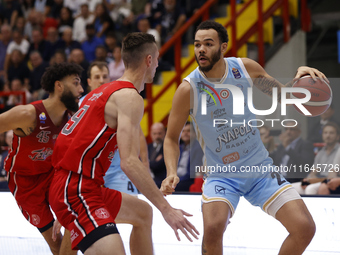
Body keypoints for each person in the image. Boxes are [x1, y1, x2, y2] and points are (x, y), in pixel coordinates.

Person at [160, 20, 329, 255]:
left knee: (305, 227)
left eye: (208, 44)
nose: (201, 50)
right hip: (222, 175)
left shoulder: (244, 68)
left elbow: (284, 96)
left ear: (223, 47)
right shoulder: (188, 89)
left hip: (260, 169)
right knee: (213, 229)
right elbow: (170, 138)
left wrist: (299, 76)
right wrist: (170, 172)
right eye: (198, 44)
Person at [49, 32, 199, 254]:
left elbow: (69, 142)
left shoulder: (101, 92)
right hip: (77, 188)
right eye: (156, 59)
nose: (157, 64)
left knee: (143, 213)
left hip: (79, 185)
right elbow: (129, 161)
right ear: (149, 60)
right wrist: (167, 209)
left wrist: (63, 200)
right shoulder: (129, 97)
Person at [0, 62, 84, 255]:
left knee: (76, 220)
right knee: (56, 243)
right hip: (25, 182)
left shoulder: (73, 116)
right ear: (59, 86)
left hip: (53, 175)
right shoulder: (28, 114)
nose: (81, 89)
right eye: (76, 83)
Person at [292, 122, 340, 194]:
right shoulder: (321, 153)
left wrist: (313, 180)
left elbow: (332, 176)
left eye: (331, 133)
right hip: (318, 180)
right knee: (291, 188)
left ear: (338, 136)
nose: (328, 135)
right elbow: (313, 172)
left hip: (330, 182)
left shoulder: (338, 151)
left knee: (310, 189)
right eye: (325, 133)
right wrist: (308, 180)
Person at [176, 121, 203, 192]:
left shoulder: (198, 147)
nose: (185, 133)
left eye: (188, 131)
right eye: (183, 131)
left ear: (195, 133)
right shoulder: (180, 147)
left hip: (189, 180)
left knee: (176, 186)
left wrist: (178, 180)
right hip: (178, 178)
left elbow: (193, 171)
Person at [148, 122, 167, 187]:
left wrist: (148, 162)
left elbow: (158, 165)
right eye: (154, 134)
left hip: (161, 180)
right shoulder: (147, 147)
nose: (157, 136)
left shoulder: (167, 148)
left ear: (164, 133)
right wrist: (154, 162)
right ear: (151, 134)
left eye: (159, 133)